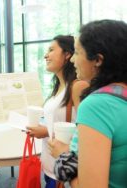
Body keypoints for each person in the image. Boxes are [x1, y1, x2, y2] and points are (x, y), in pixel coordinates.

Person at [63, 20, 127, 188]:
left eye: (77, 52)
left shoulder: (98, 105)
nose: (72, 60)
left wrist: (63, 159)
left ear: (98, 60)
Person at [27, 35, 88, 188]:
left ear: (67, 54)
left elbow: (87, 132)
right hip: (50, 165)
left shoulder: (78, 86)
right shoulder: (58, 88)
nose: (45, 55)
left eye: (51, 50)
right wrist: (45, 129)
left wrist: (47, 132)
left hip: (64, 170)